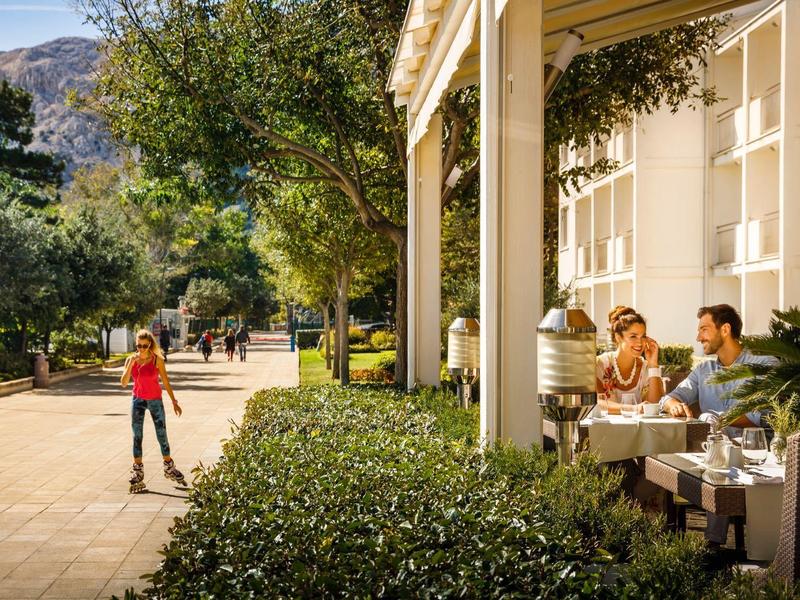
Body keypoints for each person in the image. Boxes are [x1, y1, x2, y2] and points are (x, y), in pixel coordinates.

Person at [660, 304, 777, 545]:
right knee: (683, 460)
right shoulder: (704, 370)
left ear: (725, 329)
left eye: (704, 329)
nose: (698, 337)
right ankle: (702, 542)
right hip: (715, 452)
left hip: (756, 453)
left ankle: (712, 544)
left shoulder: (762, 364)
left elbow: (763, 415)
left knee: (718, 455)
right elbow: (669, 397)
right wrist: (673, 405)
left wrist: (716, 419)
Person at [120, 329, 186, 493]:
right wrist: (131, 364)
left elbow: (165, 381)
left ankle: (169, 467)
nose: (141, 349)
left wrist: (174, 401)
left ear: (150, 345)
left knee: (161, 434)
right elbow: (124, 383)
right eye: (139, 346)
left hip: (155, 400)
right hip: (137, 400)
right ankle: (138, 471)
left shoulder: (157, 360)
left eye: (144, 346)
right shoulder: (131, 359)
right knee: (137, 435)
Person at [596, 306, 664, 414]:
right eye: (633, 336)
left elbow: (655, 405)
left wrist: (653, 364)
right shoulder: (600, 365)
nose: (640, 342)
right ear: (618, 337)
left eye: (643, 336)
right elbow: (594, 403)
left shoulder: (646, 368)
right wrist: (633, 409)